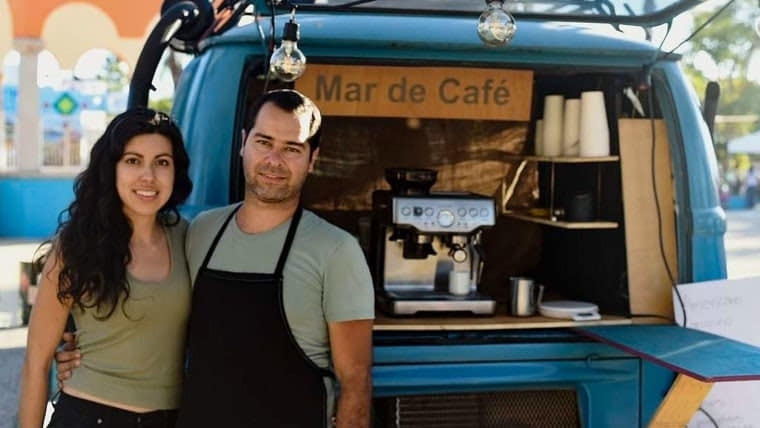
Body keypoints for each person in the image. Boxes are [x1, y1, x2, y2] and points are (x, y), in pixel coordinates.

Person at [56, 89, 375, 427]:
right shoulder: (201, 231)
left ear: (312, 159)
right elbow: (151, 307)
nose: (274, 160)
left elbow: (356, 381)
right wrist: (82, 349)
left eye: (292, 149)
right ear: (243, 143)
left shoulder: (337, 251)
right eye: (264, 142)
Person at [19, 107, 193, 428]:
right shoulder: (76, 247)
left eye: (162, 163)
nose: (148, 176)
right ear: (110, 168)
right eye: (132, 160)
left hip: (168, 419)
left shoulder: (190, 238)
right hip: (87, 416)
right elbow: (37, 361)